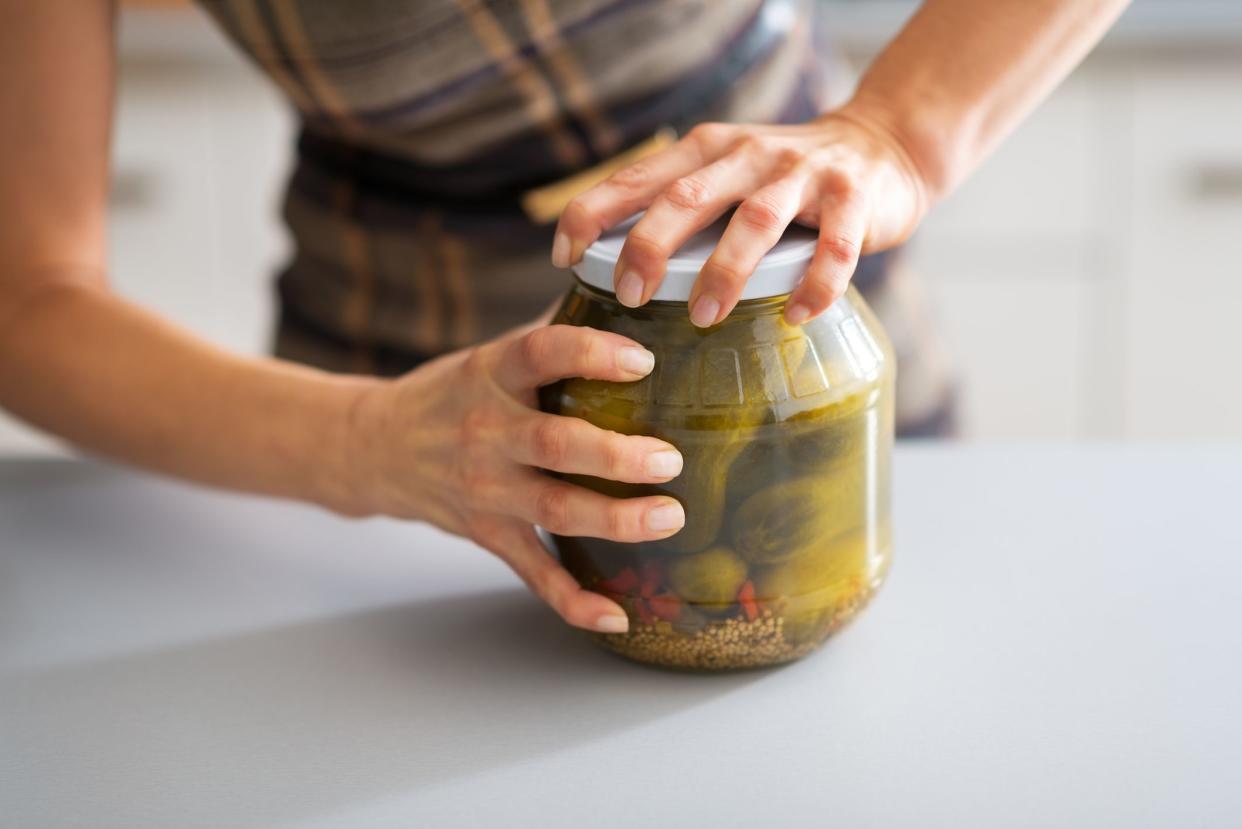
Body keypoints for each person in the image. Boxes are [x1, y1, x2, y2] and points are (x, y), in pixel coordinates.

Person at [0, 0, 1127, 635]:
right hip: (377, 382)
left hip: (786, 278)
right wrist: (365, 442)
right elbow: (26, 299)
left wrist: (899, 133)